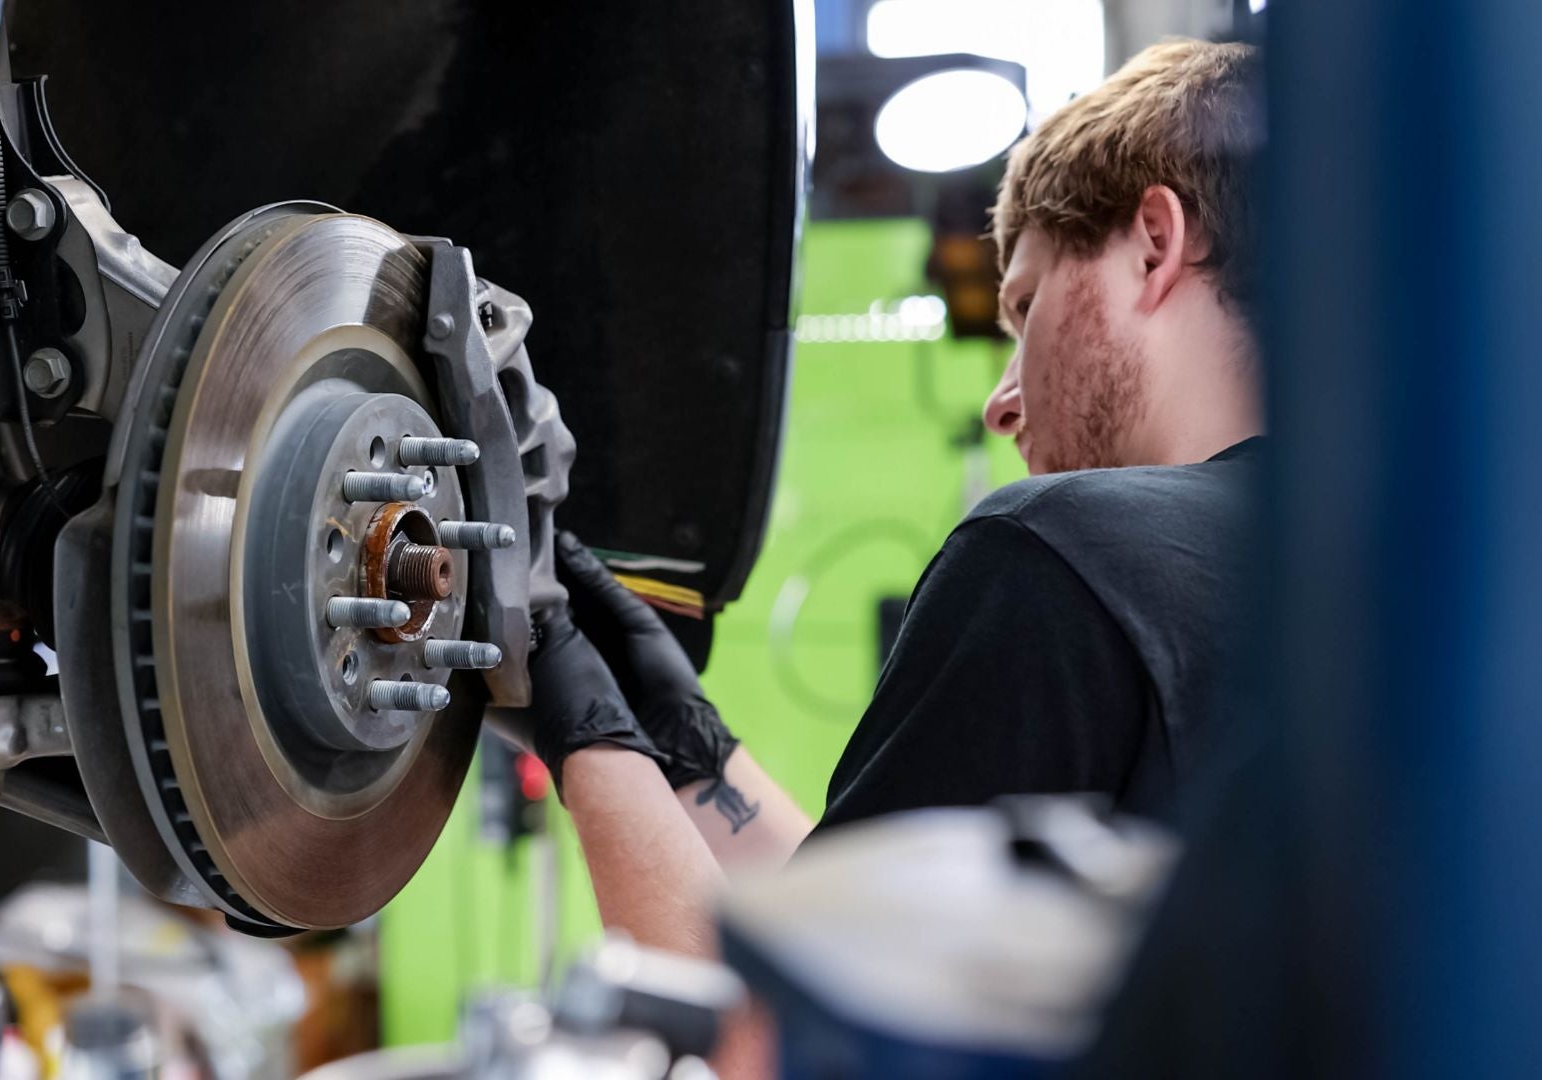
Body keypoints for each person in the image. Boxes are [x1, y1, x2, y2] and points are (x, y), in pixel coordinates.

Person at [523, 38, 1267, 961]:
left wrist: (588, 743)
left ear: (1155, 245)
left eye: (1027, 307)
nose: (1001, 403)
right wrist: (687, 750)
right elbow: (882, 949)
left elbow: (783, 1048)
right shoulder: (1399, 586)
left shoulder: (1064, 558)